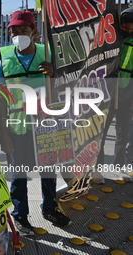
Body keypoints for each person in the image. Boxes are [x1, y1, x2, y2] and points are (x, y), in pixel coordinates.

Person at [0, 10, 71, 235]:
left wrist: (55, 72)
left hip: (47, 125)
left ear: (35, 32)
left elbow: (70, 83)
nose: (19, 35)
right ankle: (20, 215)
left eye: (24, 31)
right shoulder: (6, 61)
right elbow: (0, 99)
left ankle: (49, 208)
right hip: (18, 126)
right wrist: (4, 133)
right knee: (19, 174)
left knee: (49, 169)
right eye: (14, 32)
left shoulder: (49, 54)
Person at [96, 7, 133, 183]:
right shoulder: (109, 38)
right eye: (126, 27)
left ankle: (119, 168)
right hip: (107, 93)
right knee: (100, 133)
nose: (130, 30)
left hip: (127, 94)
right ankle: (97, 170)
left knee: (122, 133)